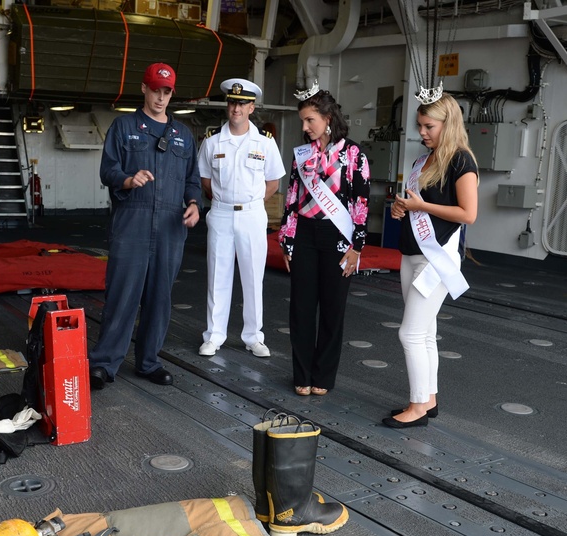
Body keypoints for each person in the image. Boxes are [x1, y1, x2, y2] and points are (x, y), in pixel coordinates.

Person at [89, 62, 202, 390]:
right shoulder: (123, 127)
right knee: (122, 293)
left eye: (167, 92)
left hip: (170, 226)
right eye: (156, 90)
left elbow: (192, 180)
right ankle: (105, 363)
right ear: (144, 88)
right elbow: (107, 169)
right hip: (132, 222)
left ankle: (148, 361)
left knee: (159, 297)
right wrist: (127, 179)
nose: (161, 97)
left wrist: (194, 205)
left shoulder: (183, 136)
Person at [384, 92, 477, 428]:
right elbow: (415, 205)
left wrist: (420, 207)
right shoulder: (422, 162)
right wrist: (401, 208)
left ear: (447, 124)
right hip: (412, 254)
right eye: (420, 125)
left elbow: (468, 213)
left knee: (410, 334)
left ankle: (417, 406)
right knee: (424, 333)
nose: (422, 132)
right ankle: (429, 398)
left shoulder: (461, 161)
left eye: (428, 126)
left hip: (436, 259)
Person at [278, 87, 370, 396]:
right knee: (301, 309)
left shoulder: (355, 155)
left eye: (310, 120)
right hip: (304, 234)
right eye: (303, 121)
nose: (305, 127)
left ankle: (323, 377)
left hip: (338, 238)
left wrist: (357, 246)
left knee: (333, 309)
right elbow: (291, 199)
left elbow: (361, 203)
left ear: (328, 119)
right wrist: (287, 240)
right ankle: (301, 374)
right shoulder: (301, 154)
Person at [197, 78, 285, 359]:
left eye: (242, 103)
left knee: (252, 277)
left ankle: (253, 337)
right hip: (221, 212)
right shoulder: (212, 142)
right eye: (233, 102)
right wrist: (225, 199)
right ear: (228, 105)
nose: (236, 108)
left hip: (251, 214)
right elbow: (205, 179)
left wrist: (251, 201)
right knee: (217, 276)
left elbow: (273, 181)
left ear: (252, 107)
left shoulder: (265, 143)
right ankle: (214, 336)